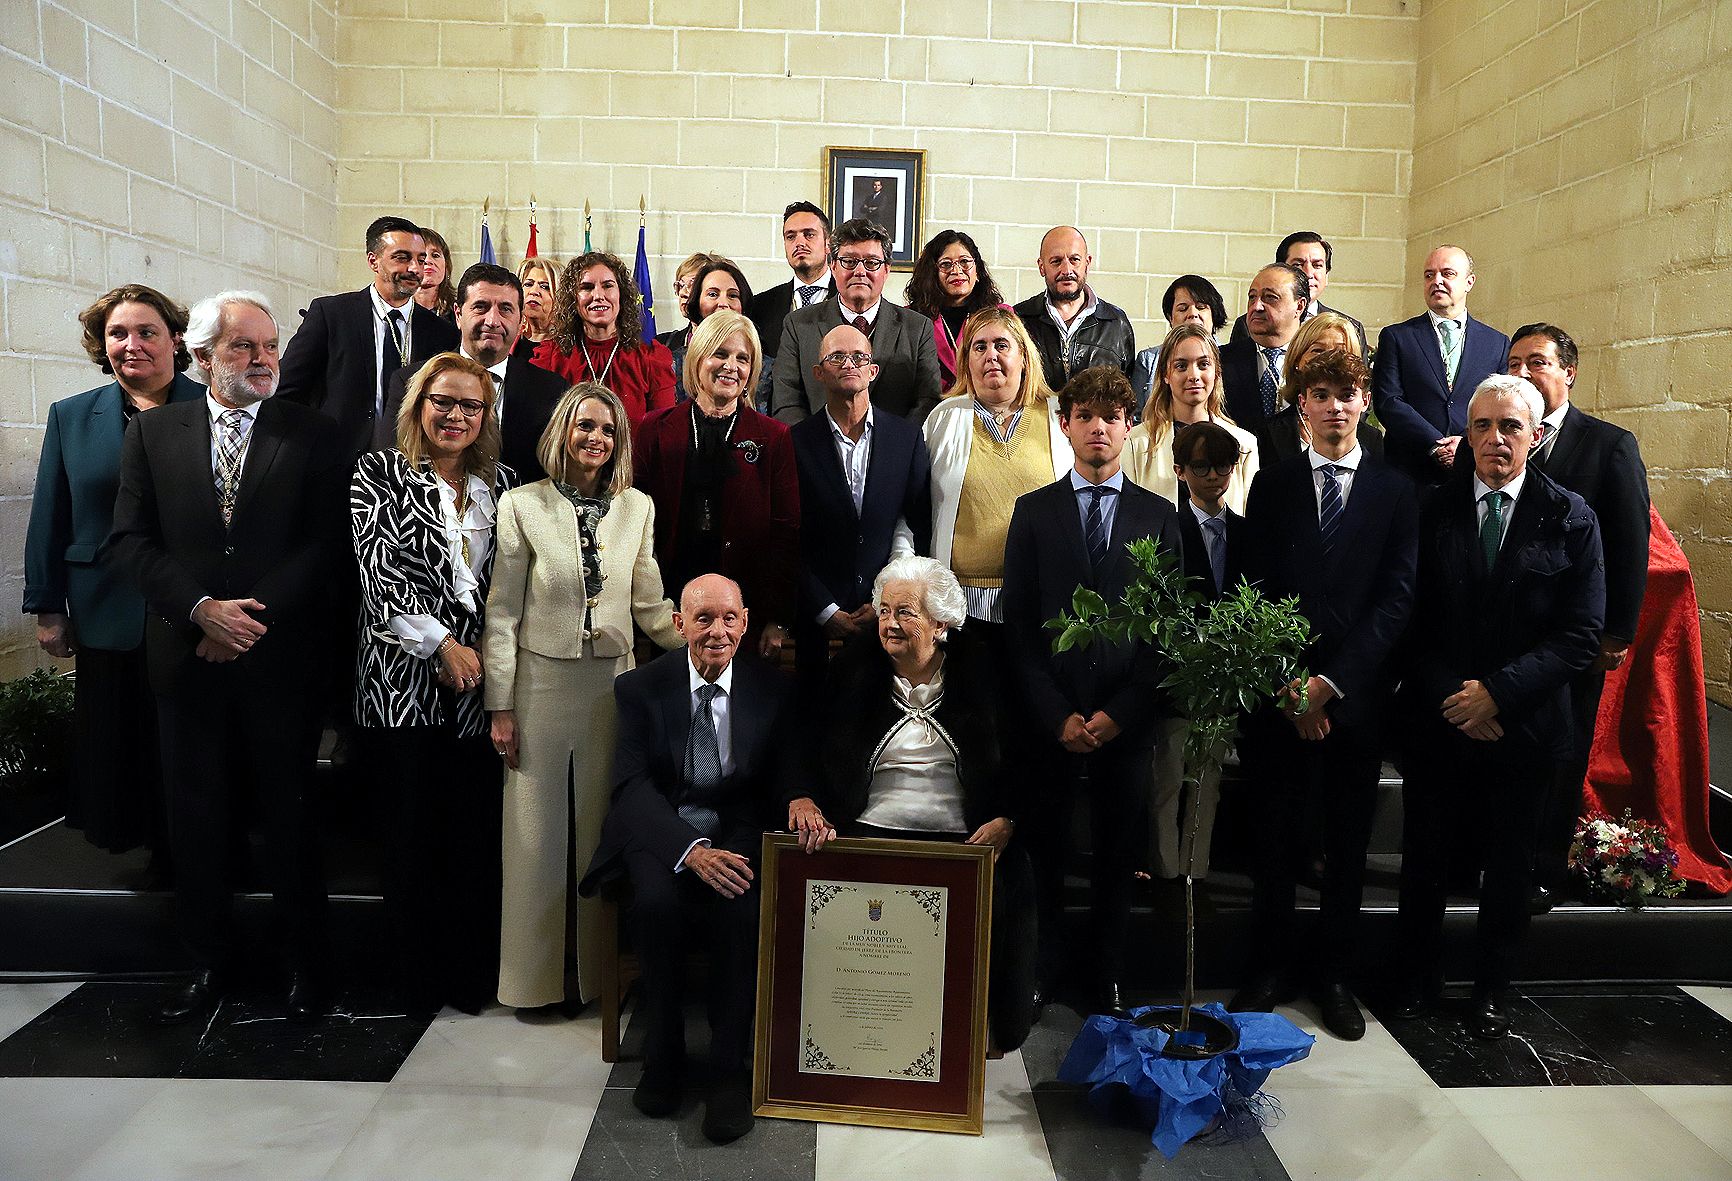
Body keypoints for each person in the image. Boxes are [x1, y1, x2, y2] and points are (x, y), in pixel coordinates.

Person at [111, 291, 345, 1026]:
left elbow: (324, 545)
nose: (264, 359)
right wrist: (199, 610)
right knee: (197, 818)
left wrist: (246, 619)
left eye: (270, 346)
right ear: (203, 357)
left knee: (289, 815)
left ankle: (307, 964)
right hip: (187, 661)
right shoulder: (153, 433)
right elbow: (131, 541)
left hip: (279, 662)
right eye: (245, 347)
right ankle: (210, 962)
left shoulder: (313, 433)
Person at [1394, 374, 1605, 1040]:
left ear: (1535, 437)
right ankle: (1416, 979)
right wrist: (1459, 699)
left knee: (1510, 868)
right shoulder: (1430, 509)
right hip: (1440, 721)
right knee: (1425, 859)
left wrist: (1499, 695)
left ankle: (1491, 989)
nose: (1494, 439)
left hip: (1526, 728)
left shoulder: (1570, 516)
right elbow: (1408, 620)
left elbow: (1580, 634)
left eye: (1510, 426)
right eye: (1482, 425)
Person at [1230, 349, 1418, 1042]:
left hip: (1355, 699)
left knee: (1345, 845)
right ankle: (1270, 967)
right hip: (1282, 700)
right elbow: (1254, 587)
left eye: (1347, 393)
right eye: (1320, 394)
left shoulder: (1396, 490)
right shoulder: (1273, 485)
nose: (1335, 406)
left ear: (1364, 401)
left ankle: (1335, 976)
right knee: (1275, 840)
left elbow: (1396, 600)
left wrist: (1330, 685)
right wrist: (1291, 685)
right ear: (1301, 406)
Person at [484, 383, 683, 1014]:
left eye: (607, 429)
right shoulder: (521, 504)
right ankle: (533, 983)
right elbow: (502, 612)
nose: (595, 438)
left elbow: (649, 603)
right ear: (562, 433)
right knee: (534, 837)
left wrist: (707, 635)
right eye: (584, 426)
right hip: (539, 687)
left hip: (611, 687)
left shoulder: (637, 507)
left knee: (601, 833)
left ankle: (594, 981)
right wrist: (500, 705)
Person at [787, 555, 1037, 1051]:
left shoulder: (987, 668)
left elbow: (1027, 758)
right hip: (866, 835)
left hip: (965, 841)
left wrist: (1008, 819)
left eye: (905, 612)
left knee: (1014, 882)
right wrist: (802, 795)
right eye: (884, 611)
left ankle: (970, 1032)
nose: (889, 624)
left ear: (941, 624)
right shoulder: (852, 668)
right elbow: (800, 741)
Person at [577, 574, 795, 1145]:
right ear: (679, 625)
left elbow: (779, 776)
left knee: (740, 908)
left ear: (745, 624)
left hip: (736, 825)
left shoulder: (773, 688)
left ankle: (728, 1071)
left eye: (729, 619)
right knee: (654, 904)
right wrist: (689, 850)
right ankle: (664, 1055)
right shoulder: (640, 688)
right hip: (663, 827)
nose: (717, 631)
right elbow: (631, 786)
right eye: (703, 619)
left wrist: (799, 797)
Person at [1003, 365, 1180, 1017]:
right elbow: (1020, 627)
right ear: (1065, 424)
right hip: (1051, 719)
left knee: (1116, 854)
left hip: (1124, 720)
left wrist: (1120, 712)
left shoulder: (1159, 516)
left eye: (1111, 416)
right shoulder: (1034, 512)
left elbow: (1165, 630)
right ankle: (1044, 967)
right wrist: (1057, 715)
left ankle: (1107, 973)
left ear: (1129, 426)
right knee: (1045, 850)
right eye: (1085, 416)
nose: (1098, 427)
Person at [351, 351, 515, 1014]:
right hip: (402, 682)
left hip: (480, 689)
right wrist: (443, 645)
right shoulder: (379, 472)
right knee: (409, 835)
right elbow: (379, 572)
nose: (455, 416)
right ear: (418, 406)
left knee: (471, 836)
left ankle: (469, 977)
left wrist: (484, 655)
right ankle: (415, 981)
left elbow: (510, 583)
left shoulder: (502, 484)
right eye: (442, 402)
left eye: (470, 405)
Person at [25, 285, 204, 868]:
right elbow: (50, 514)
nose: (132, 345)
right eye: (117, 334)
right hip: (104, 600)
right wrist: (48, 607)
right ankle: (147, 847)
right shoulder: (72, 416)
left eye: (147, 332)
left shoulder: (211, 407)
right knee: (120, 737)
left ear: (175, 339)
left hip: (190, 603)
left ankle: (195, 849)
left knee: (189, 736)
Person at [1507, 323, 1651, 900]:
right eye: (1513, 363)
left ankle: (1542, 870)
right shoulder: (1497, 436)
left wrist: (1616, 632)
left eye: (1537, 362)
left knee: (1560, 756)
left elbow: (1630, 543)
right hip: (1508, 633)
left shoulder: (1608, 445)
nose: (1522, 373)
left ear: (1568, 373)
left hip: (1574, 638)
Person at [635, 311, 798, 657]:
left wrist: (777, 618)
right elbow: (636, 525)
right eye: (720, 354)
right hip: (670, 607)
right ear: (697, 359)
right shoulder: (654, 429)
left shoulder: (774, 437)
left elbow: (786, 533)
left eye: (742, 358)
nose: (731, 366)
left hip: (745, 613)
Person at [790, 323, 932, 693]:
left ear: (873, 371)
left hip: (887, 617)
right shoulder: (794, 442)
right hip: (815, 621)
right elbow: (788, 536)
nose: (849, 364)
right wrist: (824, 610)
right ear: (818, 372)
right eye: (836, 357)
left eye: (859, 357)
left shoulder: (906, 438)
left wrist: (883, 598)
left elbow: (914, 525)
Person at [1143, 421, 1248, 888]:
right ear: (1180, 470)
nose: (1213, 476)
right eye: (1202, 467)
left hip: (1226, 679)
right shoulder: (1165, 526)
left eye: (1223, 466)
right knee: (1167, 779)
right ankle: (1167, 872)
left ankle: (1194, 872)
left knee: (1209, 783)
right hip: (1175, 678)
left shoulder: (1246, 531)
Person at [922, 306, 1069, 636]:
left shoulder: (1060, 415)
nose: (991, 355)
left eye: (1002, 345)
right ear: (966, 361)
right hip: (962, 602)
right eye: (980, 347)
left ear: (1024, 358)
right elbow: (917, 505)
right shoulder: (943, 418)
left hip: (1043, 597)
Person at [277, 215, 460, 460]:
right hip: (336, 465)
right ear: (373, 261)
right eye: (402, 257)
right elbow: (287, 392)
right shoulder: (331, 315)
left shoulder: (442, 332)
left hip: (413, 465)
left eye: (420, 259)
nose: (415, 268)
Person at [384, 263, 565, 480]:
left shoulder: (551, 391)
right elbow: (389, 466)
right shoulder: (410, 381)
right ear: (458, 314)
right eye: (481, 307)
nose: (493, 321)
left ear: (520, 319)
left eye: (506, 309)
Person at [770, 218, 942, 425]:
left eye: (872, 263)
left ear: (886, 269)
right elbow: (786, 401)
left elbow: (927, 400)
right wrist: (815, 441)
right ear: (833, 266)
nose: (860, 272)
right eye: (849, 262)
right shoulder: (798, 325)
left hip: (895, 443)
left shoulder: (917, 328)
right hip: (815, 442)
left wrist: (894, 441)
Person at [1371, 245, 1509, 484]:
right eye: (1429, 275)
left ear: (1469, 282)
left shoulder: (1496, 343)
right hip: (1409, 471)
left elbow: (1500, 405)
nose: (1437, 281)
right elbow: (1388, 401)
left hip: (1471, 471)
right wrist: (1436, 444)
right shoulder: (1397, 337)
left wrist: (1464, 445)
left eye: (1447, 274)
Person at [532, 251, 676, 441]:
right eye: (586, 287)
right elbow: (539, 432)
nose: (598, 295)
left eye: (608, 286)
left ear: (621, 294)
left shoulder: (650, 360)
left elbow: (663, 436)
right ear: (573, 298)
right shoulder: (550, 358)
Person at [1122, 323, 1260, 514]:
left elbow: (1249, 519)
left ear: (1216, 372)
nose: (1194, 375)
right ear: (1165, 375)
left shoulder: (1245, 444)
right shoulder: (1135, 442)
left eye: (1203, 365)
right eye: (1181, 366)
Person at [1011, 226, 1135, 390]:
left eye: (1074, 260)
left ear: (1087, 263)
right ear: (1042, 267)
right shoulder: (1019, 320)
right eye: (1056, 261)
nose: (1066, 270)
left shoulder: (1116, 323)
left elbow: (1127, 393)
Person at [1259, 311, 1384, 465]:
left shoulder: (1371, 438)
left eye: (1339, 352)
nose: (1328, 359)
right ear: (1297, 360)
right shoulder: (1269, 432)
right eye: (1318, 350)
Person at [1227, 231, 1368, 353]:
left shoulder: (1349, 327)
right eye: (1298, 264)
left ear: (1327, 274)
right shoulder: (1250, 322)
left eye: (1317, 265)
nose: (1308, 273)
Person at [904, 229, 1009, 387]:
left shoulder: (1001, 316)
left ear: (977, 271)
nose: (956, 271)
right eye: (946, 264)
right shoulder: (909, 318)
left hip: (983, 399)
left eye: (964, 262)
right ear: (932, 274)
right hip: (930, 400)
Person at [1220, 262, 1308, 441]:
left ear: (1299, 306)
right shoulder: (1220, 361)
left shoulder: (1315, 360)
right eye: (1252, 297)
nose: (1256, 306)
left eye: (1270, 297)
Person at [746, 200, 833, 368]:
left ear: (828, 243)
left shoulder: (849, 299)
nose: (799, 243)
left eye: (809, 234)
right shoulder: (760, 306)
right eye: (791, 237)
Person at [1129, 275, 1229, 412]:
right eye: (1183, 309)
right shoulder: (1148, 360)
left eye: (1201, 307)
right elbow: (1135, 415)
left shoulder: (1230, 358)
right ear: (1170, 318)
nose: (1192, 314)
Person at [667, 257, 754, 404]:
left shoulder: (767, 369)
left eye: (733, 295)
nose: (723, 303)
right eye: (713, 294)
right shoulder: (673, 363)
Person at [413, 225, 457, 320]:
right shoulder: (395, 309)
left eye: (435, 255)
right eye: (422, 256)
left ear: (446, 265)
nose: (428, 260)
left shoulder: (459, 312)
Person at [517, 257, 559, 347]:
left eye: (545, 287)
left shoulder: (570, 347)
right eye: (528, 284)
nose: (534, 291)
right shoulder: (508, 341)